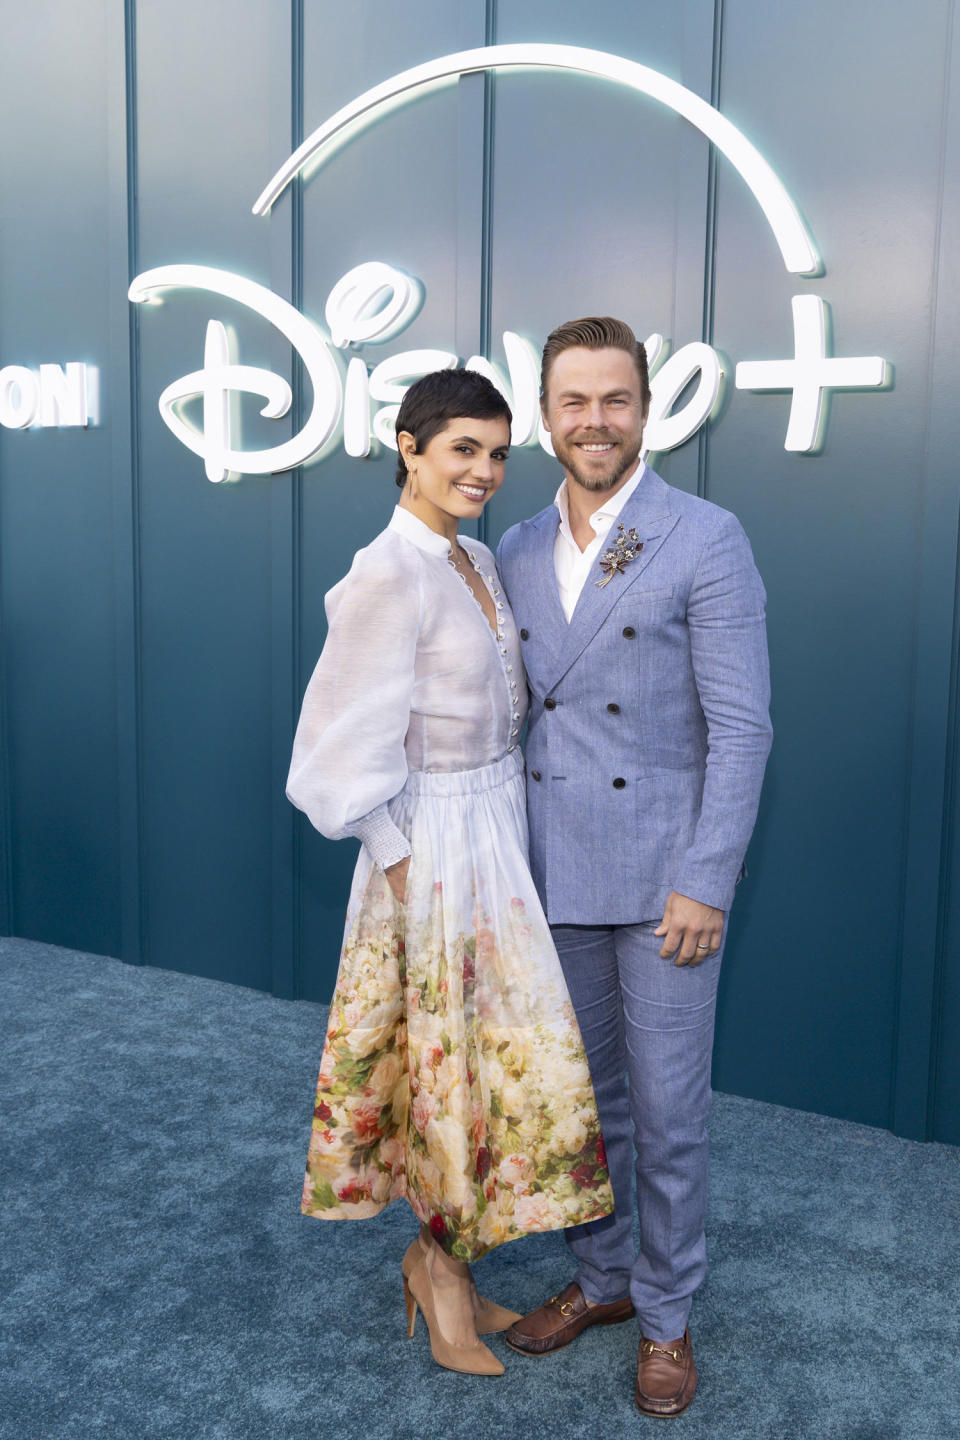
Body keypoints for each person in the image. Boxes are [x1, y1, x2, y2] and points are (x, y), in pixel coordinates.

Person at [286, 367, 614, 1378]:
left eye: (497, 451)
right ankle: (440, 1275)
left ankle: (446, 1262)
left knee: (491, 1069)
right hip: (430, 850)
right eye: (462, 448)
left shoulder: (471, 556)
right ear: (410, 447)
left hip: (494, 829)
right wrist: (398, 863)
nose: (482, 470)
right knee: (444, 1070)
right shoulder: (389, 571)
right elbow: (328, 753)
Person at [496, 317, 772, 1417]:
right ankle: (604, 1278)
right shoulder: (512, 548)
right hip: (551, 874)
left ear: (646, 411)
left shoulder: (703, 536)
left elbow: (743, 728)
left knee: (669, 1113)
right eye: (574, 401)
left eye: (615, 400)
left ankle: (667, 1313)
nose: (594, 421)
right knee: (584, 1107)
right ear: (546, 415)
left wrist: (707, 877)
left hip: (666, 887)